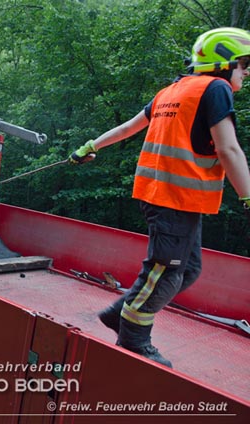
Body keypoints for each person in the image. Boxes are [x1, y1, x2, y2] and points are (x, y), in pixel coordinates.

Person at [69, 27, 250, 368]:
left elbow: (127, 129)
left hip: (171, 197)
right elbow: (228, 148)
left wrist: (90, 146)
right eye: (244, 65)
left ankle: (119, 313)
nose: (246, 73)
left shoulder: (171, 91)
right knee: (166, 271)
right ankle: (134, 337)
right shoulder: (216, 89)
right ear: (223, 63)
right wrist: (248, 197)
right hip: (173, 198)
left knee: (188, 270)